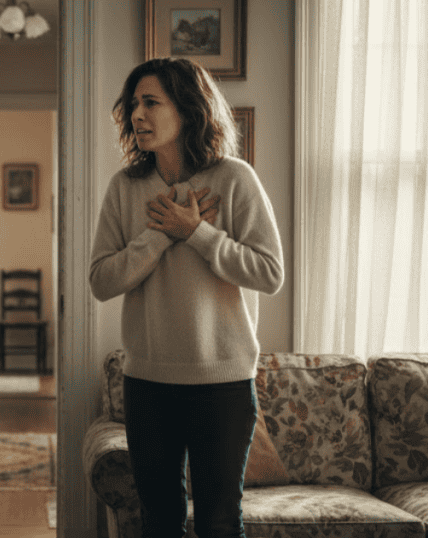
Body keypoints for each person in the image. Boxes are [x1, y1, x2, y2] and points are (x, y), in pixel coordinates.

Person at [89, 57, 284, 538]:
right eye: (133, 104)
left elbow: (270, 272)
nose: (138, 114)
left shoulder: (235, 179)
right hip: (147, 384)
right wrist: (160, 236)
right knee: (159, 522)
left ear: (189, 109)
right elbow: (100, 281)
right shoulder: (124, 188)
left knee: (219, 522)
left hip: (224, 385)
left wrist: (196, 232)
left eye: (151, 102)